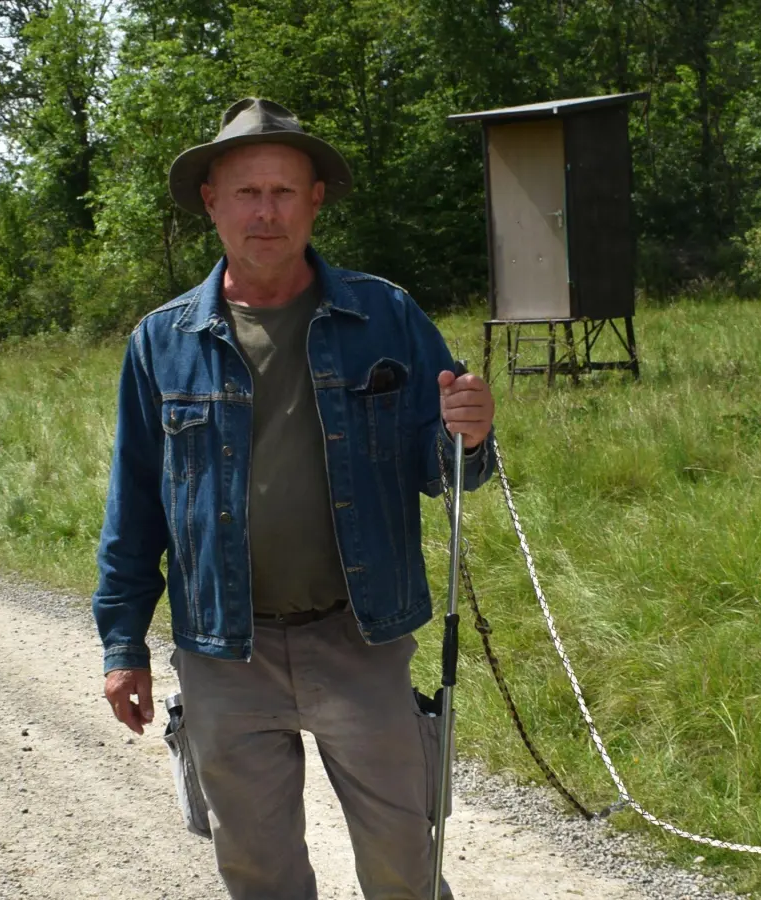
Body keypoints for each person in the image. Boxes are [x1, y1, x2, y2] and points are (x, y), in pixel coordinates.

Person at [90, 97, 497, 900]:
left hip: (361, 638)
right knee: (257, 871)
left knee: (403, 862)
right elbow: (134, 505)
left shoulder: (385, 314)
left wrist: (471, 436)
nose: (265, 212)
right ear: (212, 202)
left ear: (315, 200)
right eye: (246, 192)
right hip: (221, 653)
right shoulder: (161, 340)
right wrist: (121, 645)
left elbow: (445, 465)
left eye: (284, 192)